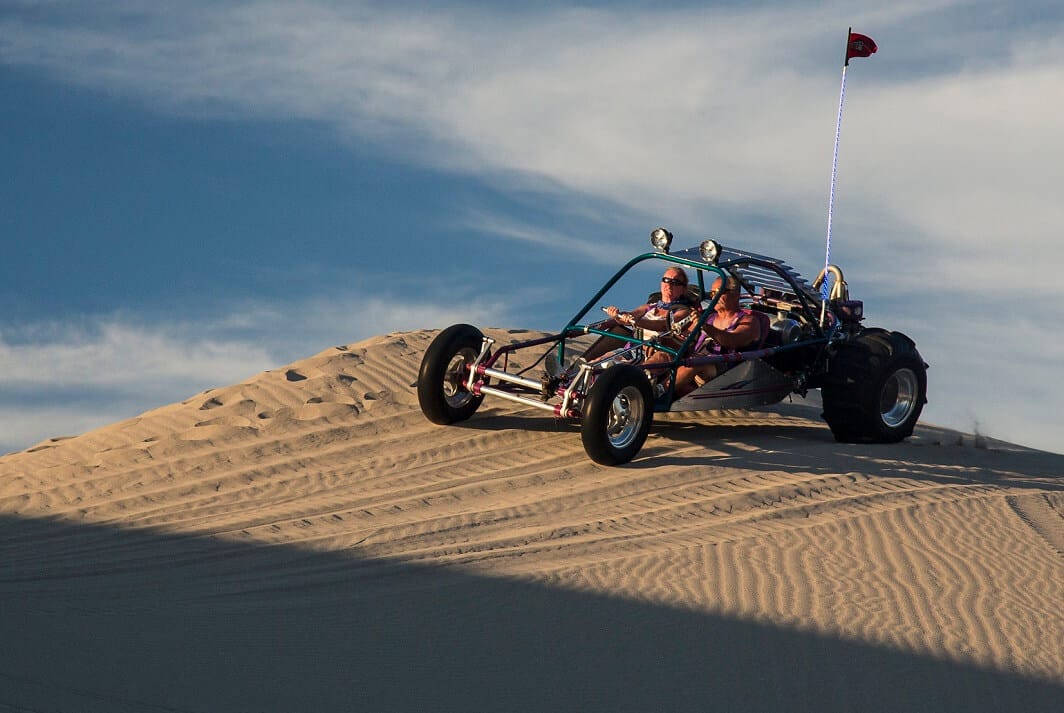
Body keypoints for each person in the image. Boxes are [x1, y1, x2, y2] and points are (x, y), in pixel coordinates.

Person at [584, 266, 701, 364]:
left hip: (652, 353)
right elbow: (630, 315)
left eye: (675, 282)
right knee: (597, 363)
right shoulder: (650, 307)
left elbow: (664, 325)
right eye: (666, 280)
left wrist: (636, 322)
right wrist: (618, 315)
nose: (668, 284)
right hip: (631, 349)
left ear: (683, 289)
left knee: (613, 368)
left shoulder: (684, 311)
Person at [672, 275, 764, 398]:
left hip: (724, 370)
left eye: (719, 292)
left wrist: (705, 327)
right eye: (712, 293)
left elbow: (733, 340)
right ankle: (648, 387)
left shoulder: (749, 321)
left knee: (696, 361)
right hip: (697, 361)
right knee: (664, 354)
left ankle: (658, 392)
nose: (714, 297)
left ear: (735, 294)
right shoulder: (709, 317)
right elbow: (683, 339)